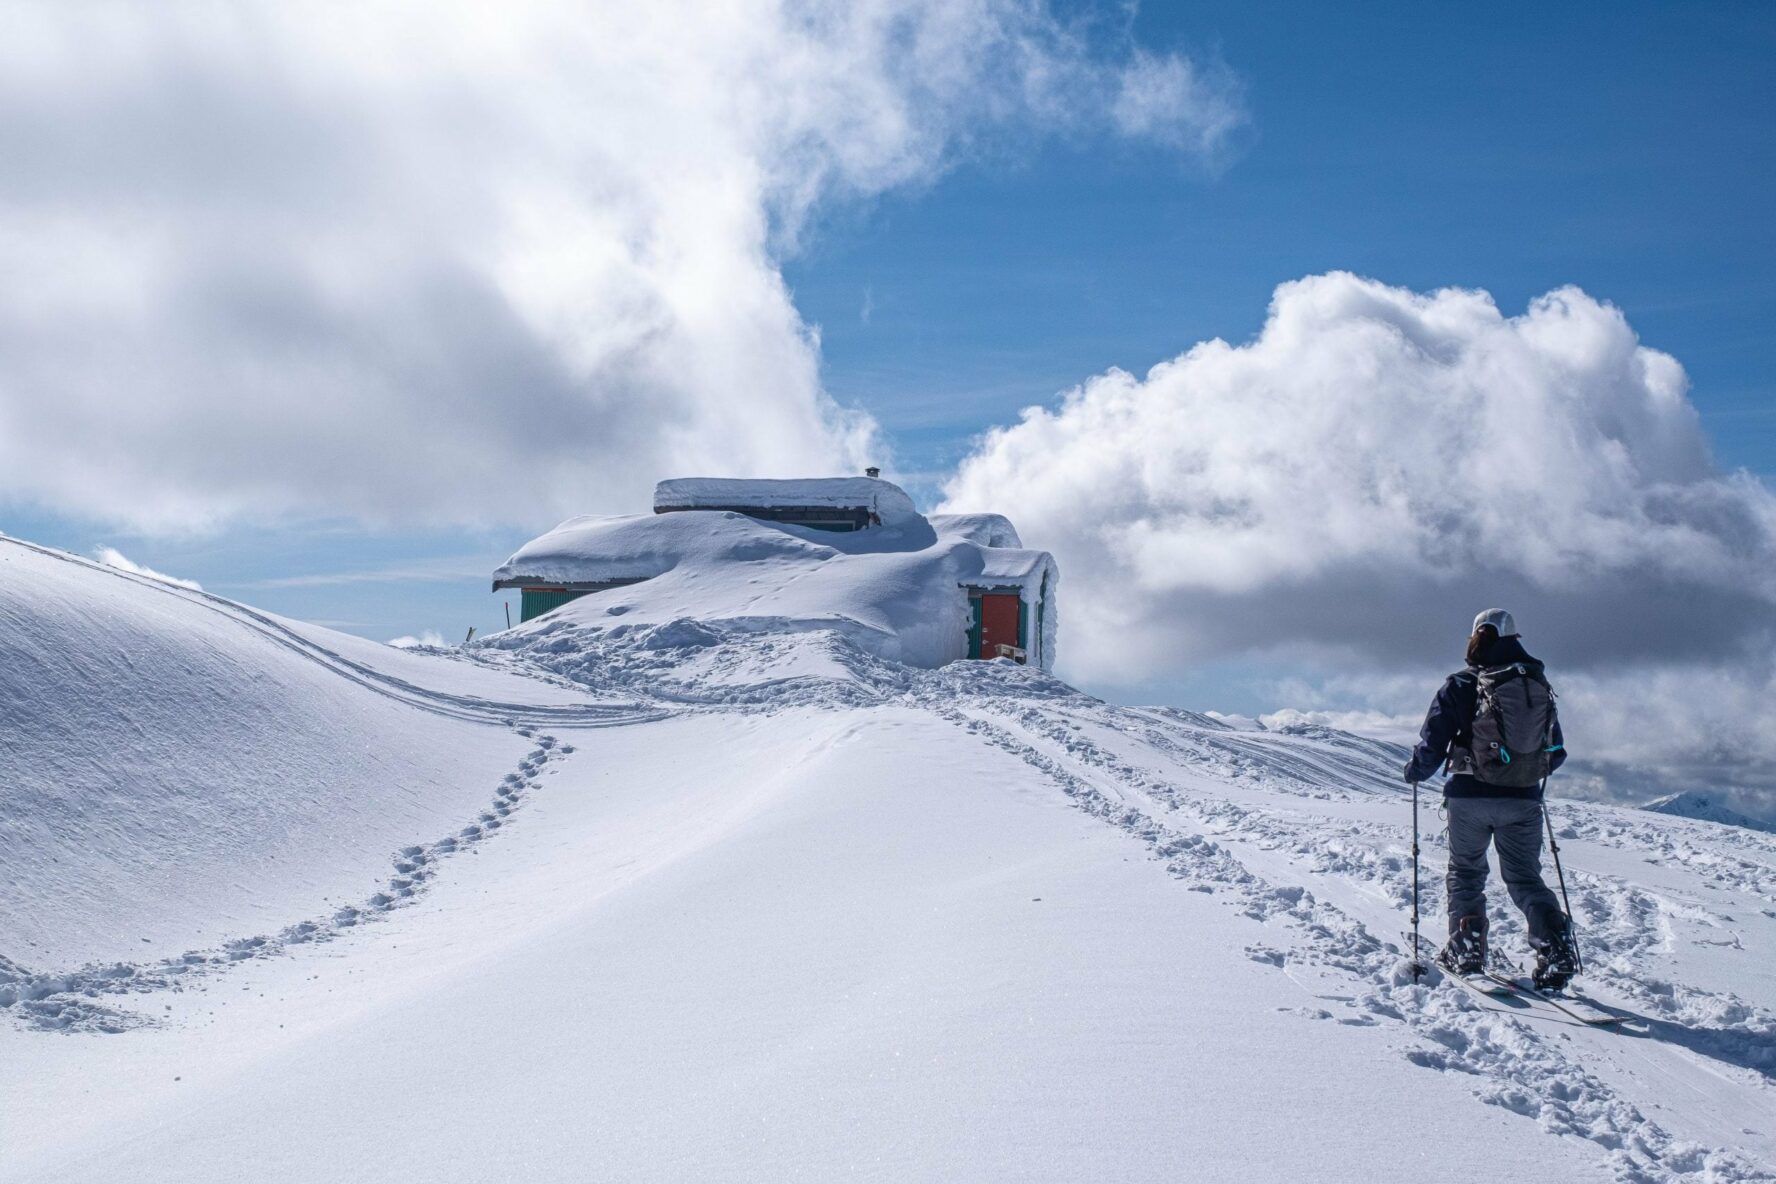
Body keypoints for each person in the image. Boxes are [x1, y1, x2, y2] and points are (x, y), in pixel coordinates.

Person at [1404, 608, 1579, 989]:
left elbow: (1433, 743)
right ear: (1516, 639)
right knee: (1525, 878)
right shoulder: (1535, 685)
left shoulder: (1462, 684)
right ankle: (1555, 947)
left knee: (1467, 873)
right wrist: (1523, 771)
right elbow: (1558, 751)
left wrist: (1415, 771)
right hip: (1523, 800)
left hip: (1470, 797)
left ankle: (1466, 947)